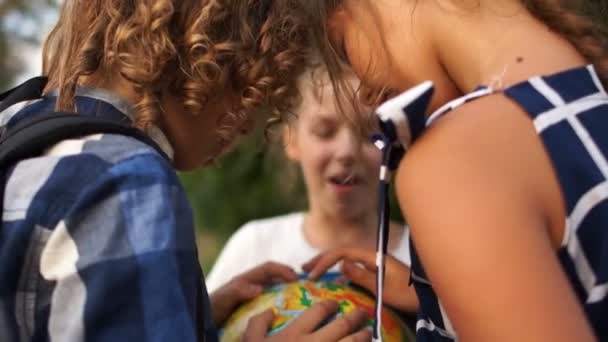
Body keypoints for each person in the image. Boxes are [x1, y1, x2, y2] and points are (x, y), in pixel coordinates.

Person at [0, 1, 372, 341]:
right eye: (251, 84)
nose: (247, 125)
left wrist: (191, 315)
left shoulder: (16, 126)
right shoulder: (127, 181)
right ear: (203, 51)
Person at [299, 0, 608, 341]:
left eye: (345, 48)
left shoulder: (457, 161)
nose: (367, 93)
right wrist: (446, 302)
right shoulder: (589, 96)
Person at [206, 65, 416, 313]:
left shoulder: (426, 260)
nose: (346, 151)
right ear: (292, 140)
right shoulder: (254, 245)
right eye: (325, 132)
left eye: (370, 134)